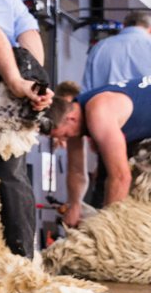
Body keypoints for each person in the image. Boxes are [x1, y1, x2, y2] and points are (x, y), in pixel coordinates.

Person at [0, 0, 51, 257]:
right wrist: (31, 76)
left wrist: (24, 79)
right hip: (4, 83)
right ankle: (20, 259)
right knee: (10, 172)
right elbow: (28, 33)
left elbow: (25, 32)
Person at [46, 79, 151, 227]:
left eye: (64, 135)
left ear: (71, 119)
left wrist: (104, 229)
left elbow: (121, 177)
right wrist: (75, 204)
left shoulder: (99, 113)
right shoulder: (75, 110)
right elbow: (76, 170)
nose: (64, 141)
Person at [82, 10, 151, 91]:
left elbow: (87, 87)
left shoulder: (100, 46)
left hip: (105, 101)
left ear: (124, 25)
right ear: (150, 28)